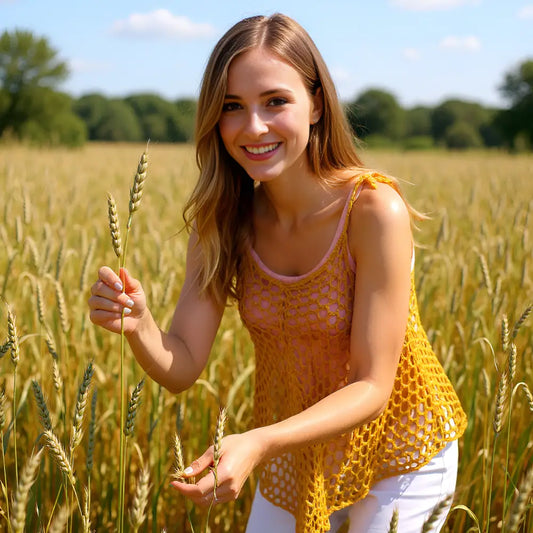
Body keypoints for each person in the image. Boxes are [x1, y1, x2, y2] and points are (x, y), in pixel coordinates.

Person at [88, 13, 467, 533]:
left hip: (400, 451)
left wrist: (259, 440)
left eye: (275, 101)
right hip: (296, 452)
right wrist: (140, 326)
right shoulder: (221, 222)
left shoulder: (373, 210)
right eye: (231, 108)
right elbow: (182, 366)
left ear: (315, 104)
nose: (254, 127)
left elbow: (373, 384)